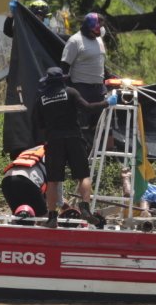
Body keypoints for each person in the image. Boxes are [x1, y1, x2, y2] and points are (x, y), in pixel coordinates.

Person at [33, 66, 114, 228]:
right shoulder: (70, 92)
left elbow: (37, 123)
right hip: (74, 139)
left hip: (54, 141)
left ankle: (52, 218)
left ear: (47, 82)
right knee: (83, 176)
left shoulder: (41, 98)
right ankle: (84, 208)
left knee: (53, 181)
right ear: (62, 80)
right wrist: (107, 103)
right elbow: (87, 108)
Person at [61, 12, 109, 143]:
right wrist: (66, 90)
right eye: (95, 32)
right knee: (82, 124)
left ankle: (98, 154)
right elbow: (64, 67)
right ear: (88, 28)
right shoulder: (75, 41)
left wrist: (108, 79)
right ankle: (82, 152)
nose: (97, 35)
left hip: (99, 88)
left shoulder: (99, 37)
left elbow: (100, 60)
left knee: (99, 123)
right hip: (81, 88)